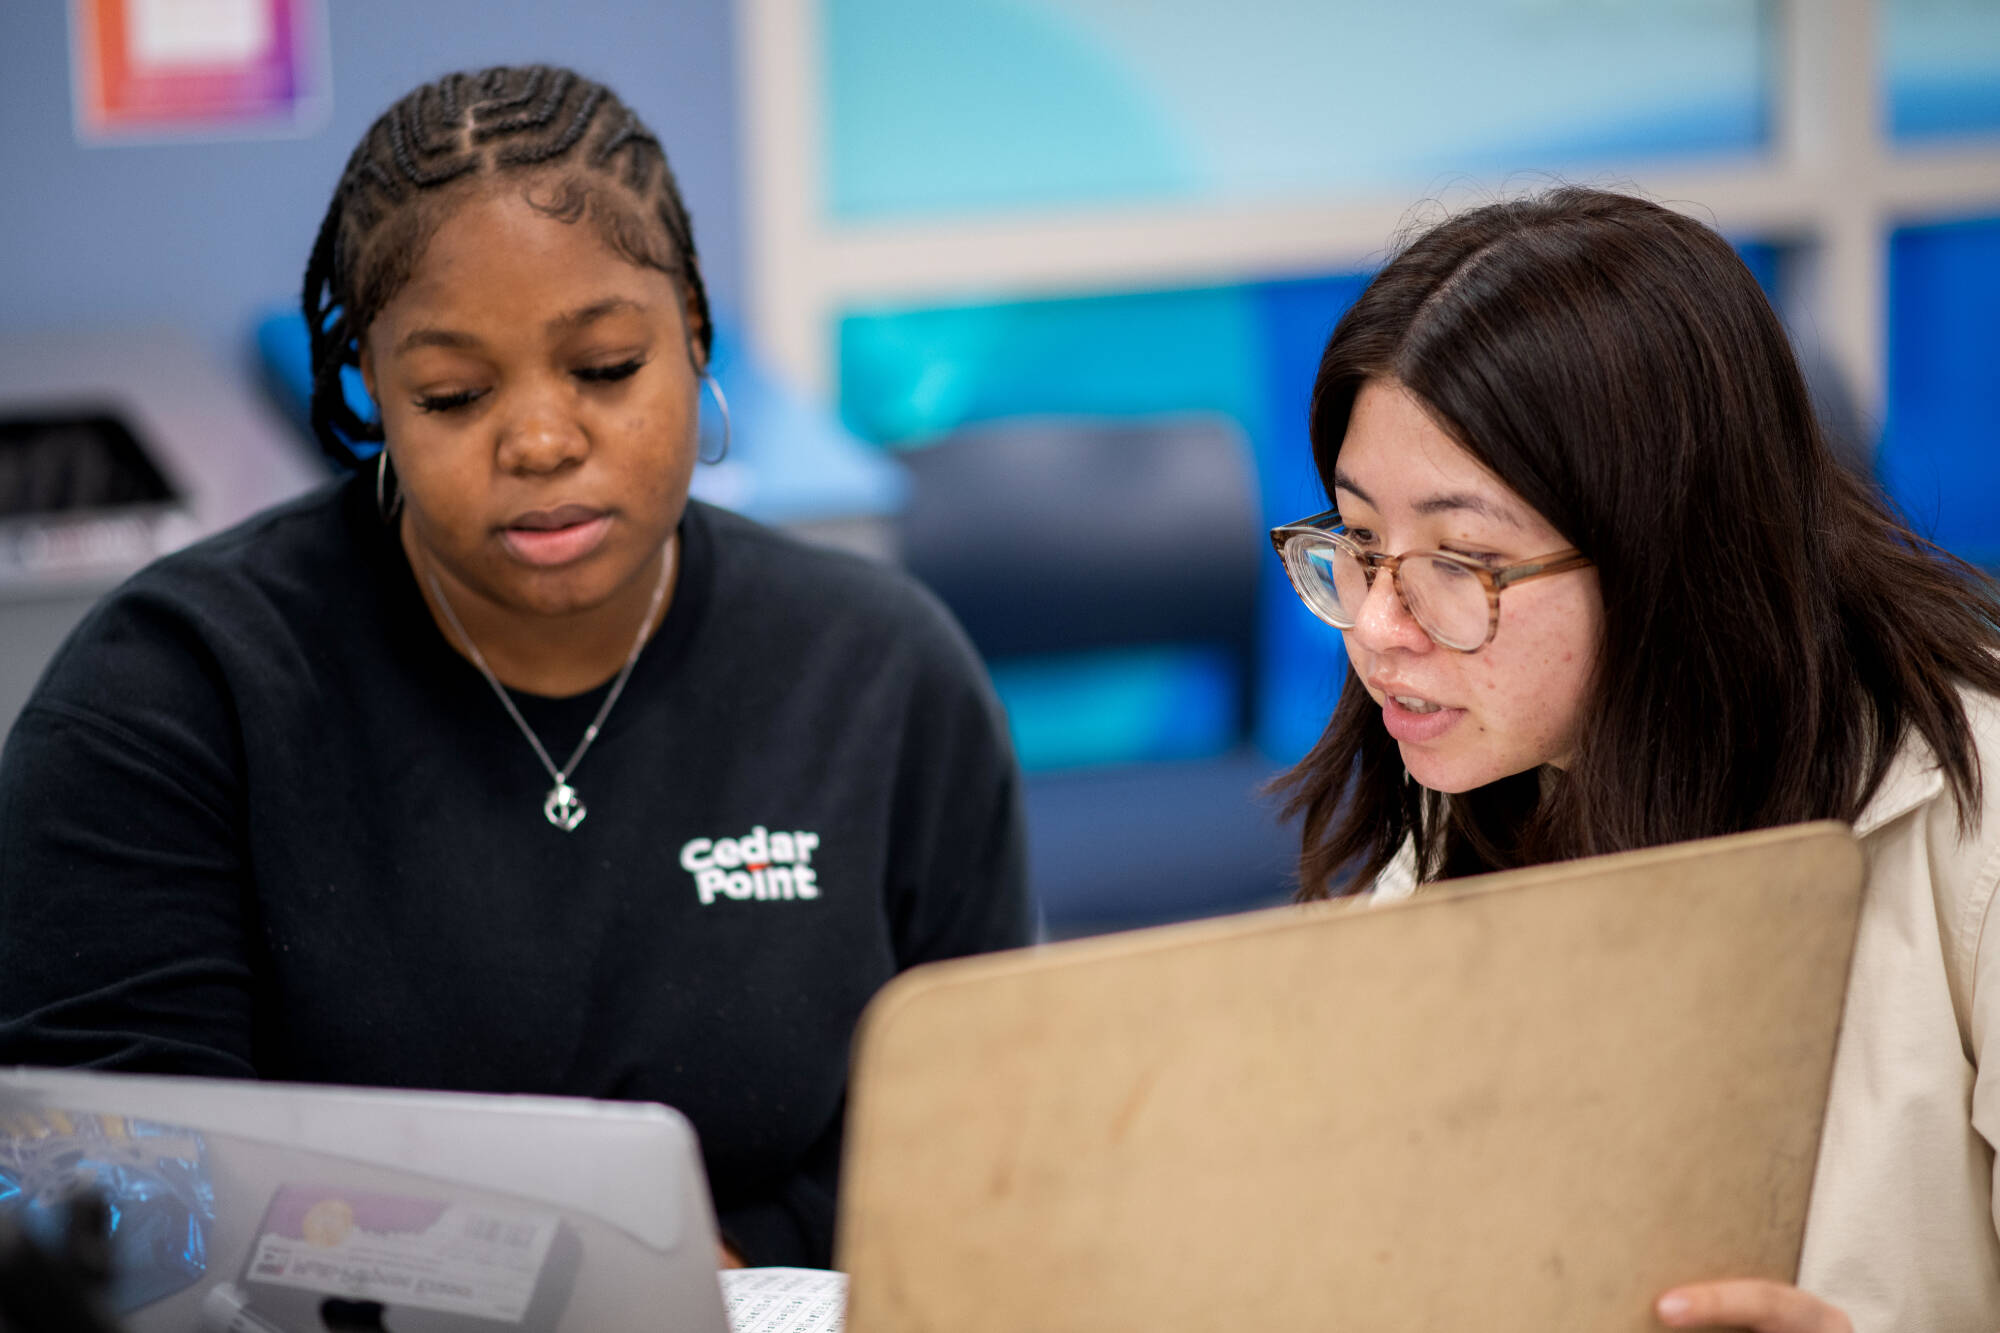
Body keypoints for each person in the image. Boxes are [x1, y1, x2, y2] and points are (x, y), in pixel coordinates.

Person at [0, 65, 1030, 1270]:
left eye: (604, 368)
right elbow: (88, 1211)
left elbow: (988, 1130)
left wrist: (713, 1275)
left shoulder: (880, 672)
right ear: (368, 392)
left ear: (694, 338)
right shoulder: (173, 694)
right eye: (452, 393)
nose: (541, 441)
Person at [1269, 187, 2000, 1332]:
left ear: (1671, 556)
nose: (1374, 622)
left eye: (1461, 558)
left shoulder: (1975, 822)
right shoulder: (1460, 807)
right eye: (1358, 540)